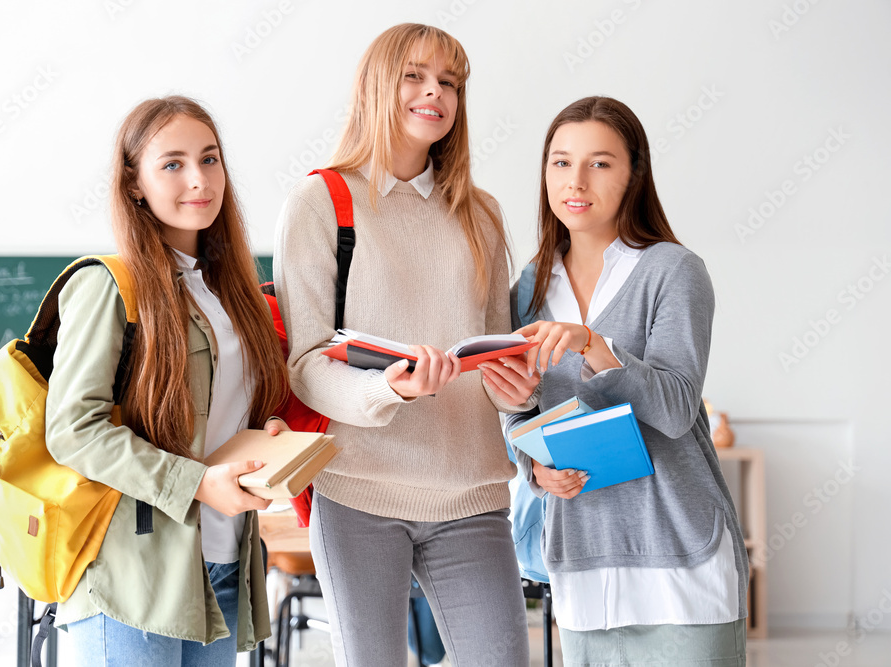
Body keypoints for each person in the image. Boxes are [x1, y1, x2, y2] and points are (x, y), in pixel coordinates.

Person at [273, 23, 535, 667]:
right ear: (377, 86)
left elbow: (497, 353)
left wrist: (519, 391)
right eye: (415, 75)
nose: (435, 93)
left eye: (449, 82)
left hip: (470, 492)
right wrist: (385, 387)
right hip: (357, 488)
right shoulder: (320, 201)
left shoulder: (483, 214)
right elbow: (305, 364)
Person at [481, 96, 749, 666]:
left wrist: (594, 346)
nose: (575, 180)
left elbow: (677, 408)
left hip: (680, 554)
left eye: (599, 163)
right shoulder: (527, 289)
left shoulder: (673, 270)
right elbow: (519, 412)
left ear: (634, 176)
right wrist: (535, 468)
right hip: (585, 560)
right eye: (560, 162)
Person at [45, 96, 288, 667]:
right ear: (135, 184)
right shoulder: (111, 285)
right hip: (131, 577)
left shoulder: (234, 293)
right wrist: (197, 485)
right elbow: (73, 431)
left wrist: (266, 436)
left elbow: (225, 412)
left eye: (210, 159)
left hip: (223, 563)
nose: (199, 180)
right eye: (172, 164)